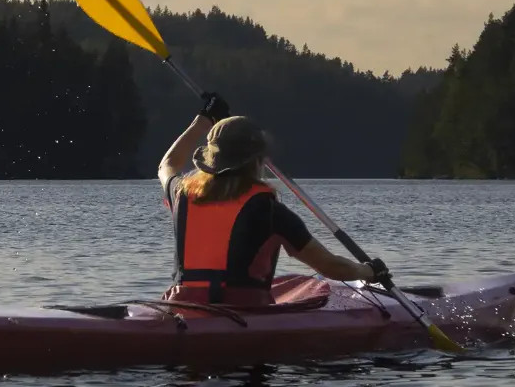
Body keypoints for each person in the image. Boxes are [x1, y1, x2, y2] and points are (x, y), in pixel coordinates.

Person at [157, 92, 389, 306]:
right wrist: (368, 271)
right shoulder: (269, 211)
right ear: (258, 161)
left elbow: (166, 165)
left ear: (210, 160)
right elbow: (330, 266)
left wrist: (203, 119)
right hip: (243, 315)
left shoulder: (182, 193)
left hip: (182, 308)